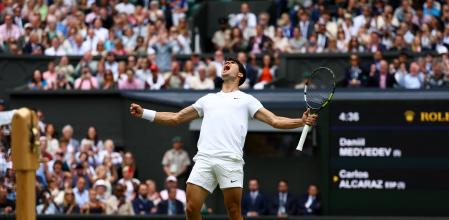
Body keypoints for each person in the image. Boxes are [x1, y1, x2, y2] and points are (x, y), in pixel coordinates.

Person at [129, 56, 317, 220]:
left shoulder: (247, 100)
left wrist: (300, 121)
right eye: (226, 61)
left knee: (234, 211)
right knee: (191, 208)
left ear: (240, 75)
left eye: (232, 62)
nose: (227, 62)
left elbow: (275, 120)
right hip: (204, 159)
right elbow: (177, 117)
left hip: (230, 160)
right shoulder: (207, 99)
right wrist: (144, 112)